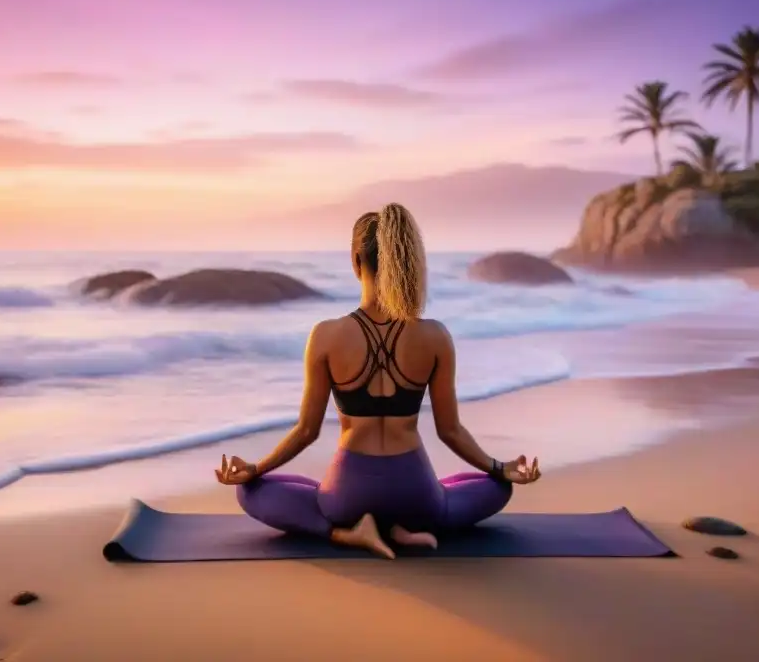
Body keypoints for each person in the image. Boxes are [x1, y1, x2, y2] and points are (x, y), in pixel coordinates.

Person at [215, 203, 541, 558]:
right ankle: (407, 528)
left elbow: (306, 431)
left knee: (252, 491)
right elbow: (450, 431)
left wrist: (255, 469)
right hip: (416, 495)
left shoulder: (325, 335)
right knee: (497, 487)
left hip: (348, 494)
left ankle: (346, 533)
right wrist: (500, 468)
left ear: (356, 260)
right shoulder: (434, 336)